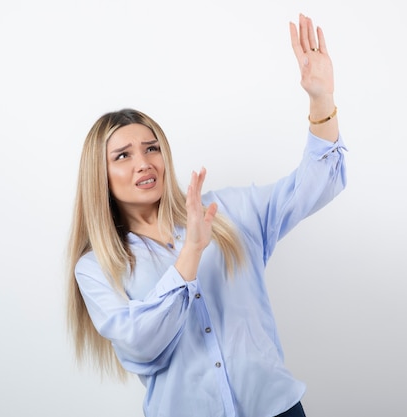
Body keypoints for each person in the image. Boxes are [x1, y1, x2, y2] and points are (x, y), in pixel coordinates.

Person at [67, 14, 346, 417]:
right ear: (100, 174)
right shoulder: (94, 268)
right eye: (123, 156)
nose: (143, 163)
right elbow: (141, 344)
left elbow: (317, 184)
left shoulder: (229, 211)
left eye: (152, 148)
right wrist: (191, 252)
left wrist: (322, 99)